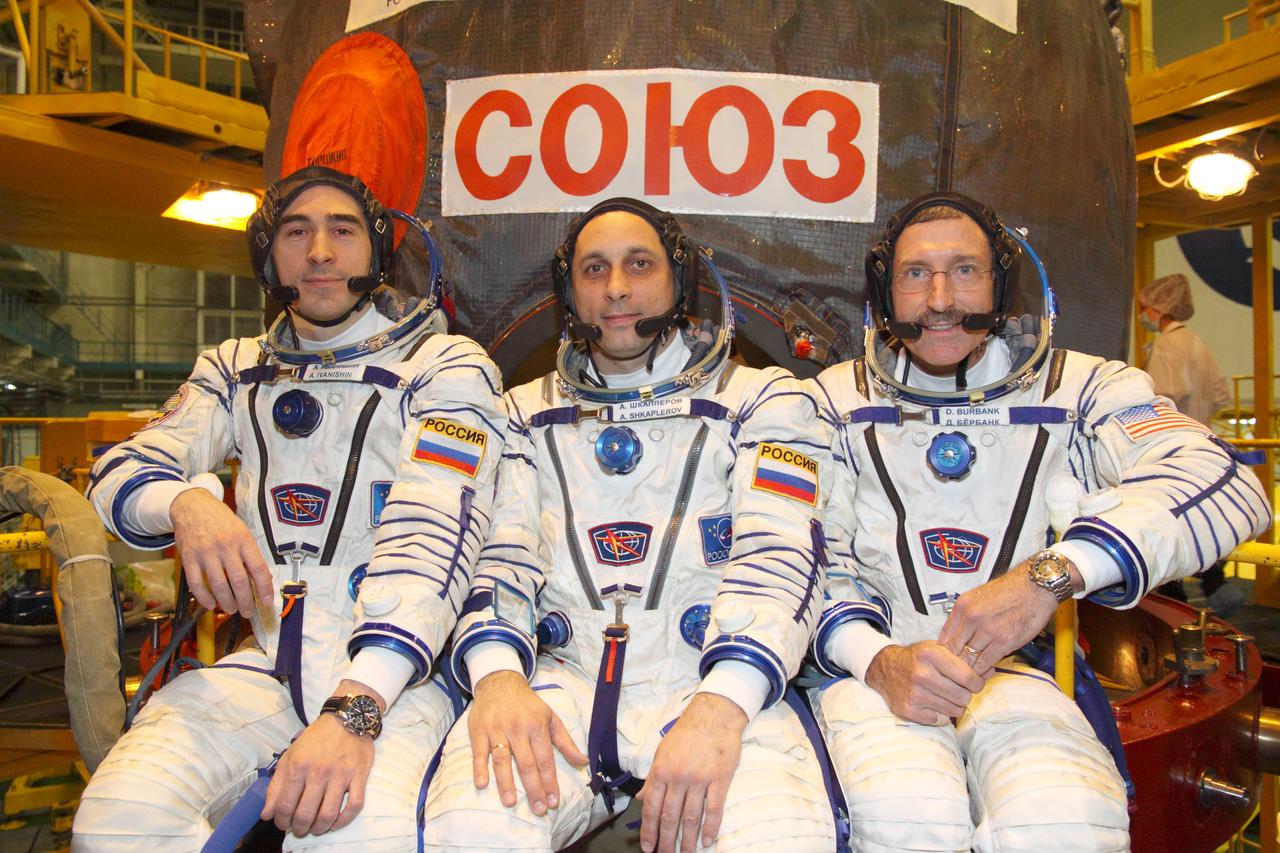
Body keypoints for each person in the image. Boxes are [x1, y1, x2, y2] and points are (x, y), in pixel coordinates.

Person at [805, 192, 1271, 852]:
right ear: (885, 290)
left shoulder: (1079, 389)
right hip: (874, 667)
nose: (940, 298)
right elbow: (796, 551)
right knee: (907, 815)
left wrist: (1045, 579)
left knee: (1063, 820)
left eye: (964, 269)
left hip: (1018, 669)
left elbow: (1224, 484)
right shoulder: (829, 401)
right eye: (915, 274)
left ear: (1002, 280)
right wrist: (874, 657)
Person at [72, 165, 505, 851]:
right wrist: (186, 499)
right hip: (272, 663)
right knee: (118, 818)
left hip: (401, 676)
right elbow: (119, 470)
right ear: (268, 255)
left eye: (343, 230)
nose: (321, 252)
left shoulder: (446, 366)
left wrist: (357, 707)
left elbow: (435, 534)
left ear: (379, 250)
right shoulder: (234, 368)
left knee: (350, 836)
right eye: (296, 232)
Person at [421, 198, 838, 852]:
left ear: (678, 279)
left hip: (711, 683)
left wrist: (724, 702)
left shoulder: (765, 400)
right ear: (569, 293)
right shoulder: (519, 415)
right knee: (472, 827)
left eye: (638, 265)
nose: (616, 288)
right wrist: (498, 675)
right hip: (562, 684)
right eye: (594, 269)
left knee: (777, 835)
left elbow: (779, 556)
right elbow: (496, 560)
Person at [1139, 273, 1241, 613]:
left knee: (1168, 525)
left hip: (1170, 450)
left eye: (1144, 308)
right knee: (1200, 519)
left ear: (1157, 309)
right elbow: (1222, 393)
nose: (1143, 315)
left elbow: (1164, 395)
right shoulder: (1197, 342)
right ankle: (1215, 583)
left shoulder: (1167, 345)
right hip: (1205, 446)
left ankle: (1173, 606)